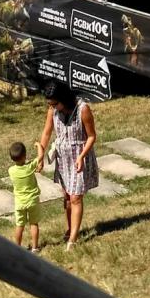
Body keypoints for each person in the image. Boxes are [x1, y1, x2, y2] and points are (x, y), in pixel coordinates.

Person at [37, 82, 98, 249]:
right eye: (50, 104)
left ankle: (73, 239)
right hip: (63, 159)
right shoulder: (53, 110)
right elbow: (47, 132)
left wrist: (82, 156)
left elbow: (92, 136)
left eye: (55, 103)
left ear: (64, 98)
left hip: (79, 157)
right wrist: (41, 154)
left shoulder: (83, 109)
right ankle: (70, 228)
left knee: (76, 197)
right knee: (67, 197)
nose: (52, 107)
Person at [8, 141, 45, 251]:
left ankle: (17, 248)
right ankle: (35, 247)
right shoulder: (29, 167)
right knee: (34, 223)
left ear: (12, 158)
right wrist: (38, 145)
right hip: (33, 201)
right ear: (25, 155)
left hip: (20, 203)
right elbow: (41, 156)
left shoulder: (11, 171)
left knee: (20, 225)